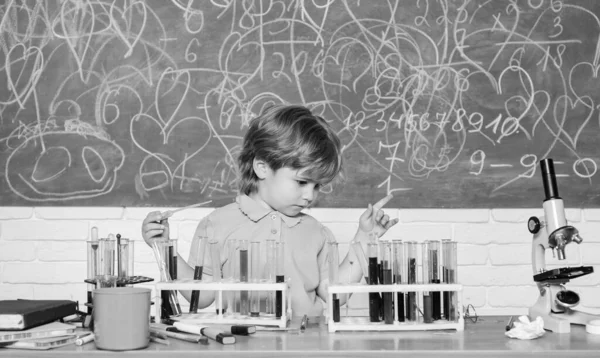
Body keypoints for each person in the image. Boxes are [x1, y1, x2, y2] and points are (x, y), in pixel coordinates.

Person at [141, 104, 399, 317]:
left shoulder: (317, 232)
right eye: (301, 182)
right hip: (242, 346)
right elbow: (202, 296)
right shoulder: (216, 224)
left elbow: (336, 296)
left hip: (309, 346)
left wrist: (365, 238)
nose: (310, 195)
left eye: (317, 185)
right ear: (263, 168)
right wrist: (164, 248)